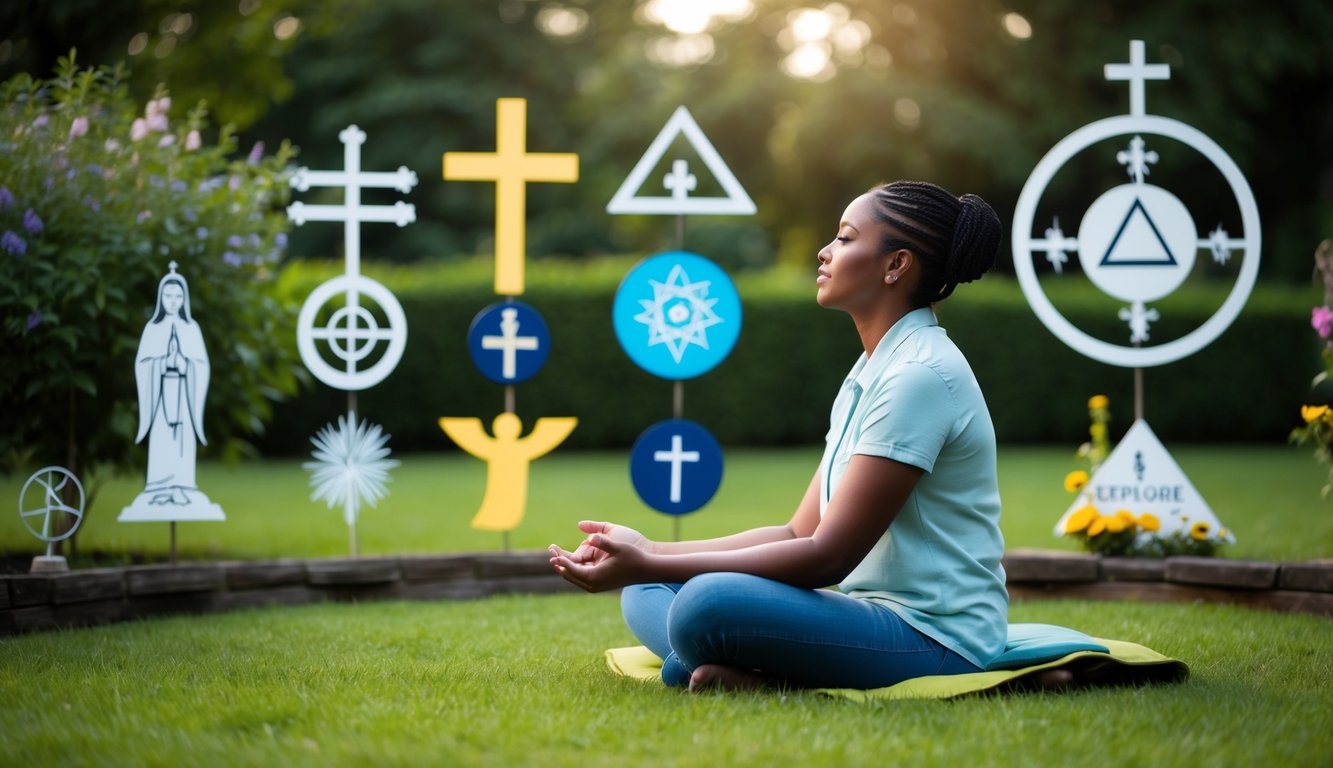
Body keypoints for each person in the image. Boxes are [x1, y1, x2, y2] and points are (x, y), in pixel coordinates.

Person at [550, 180, 1008, 692]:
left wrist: (655, 560)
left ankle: (721, 663)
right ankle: (726, 663)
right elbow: (797, 534)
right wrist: (650, 553)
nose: (825, 250)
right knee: (646, 589)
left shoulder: (920, 375)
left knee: (704, 604)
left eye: (846, 238)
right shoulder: (872, 369)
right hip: (867, 614)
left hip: (934, 636)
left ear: (895, 265)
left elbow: (828, 557)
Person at [133, 262, 211, 505]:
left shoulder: (192, 329)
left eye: (178, 296)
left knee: (182, 440)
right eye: (168, 295)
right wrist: (162, 363)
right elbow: (143, 363)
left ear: (184, 298)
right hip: (160, 394)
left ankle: (181, 485)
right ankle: (159, 486)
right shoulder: (152, 329)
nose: (173, 301)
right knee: (162, 440)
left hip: (184, 396)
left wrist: (185, 364)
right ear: (161, 298)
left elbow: (202, 364)